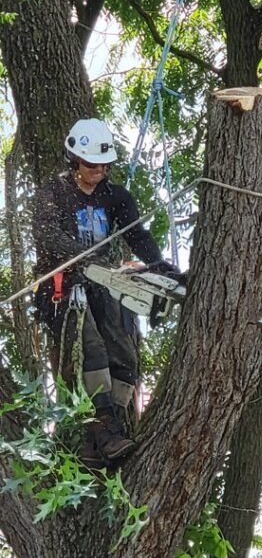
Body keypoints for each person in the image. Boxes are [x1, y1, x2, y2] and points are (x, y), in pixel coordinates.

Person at [33, 117, 178, 465]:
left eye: (103, 166)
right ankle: (105, 427)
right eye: (89, 165)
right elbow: (45, 235)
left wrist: (157, 265)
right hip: (64, 288)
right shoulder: (53, 194)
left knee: (122, 349)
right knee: (89, 347)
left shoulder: (116, 197)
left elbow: (136, 235)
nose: (97, 171)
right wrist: (81, 256)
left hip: (103, 283)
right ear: (74, 160)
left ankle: (103, 431)